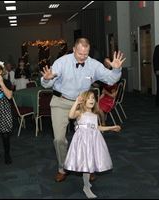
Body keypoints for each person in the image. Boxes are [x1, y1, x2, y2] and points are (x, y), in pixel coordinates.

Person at [41, 38, 125, 182]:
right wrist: (47, 79)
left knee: (89, 137)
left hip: (82, 104)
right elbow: (46, 84)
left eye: (85, 54)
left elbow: (111, 80)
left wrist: (116, 69)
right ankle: (63, 168)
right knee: (59, 139)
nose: (82, 57)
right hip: (61, 101)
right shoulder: (62, 62)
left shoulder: (93, 64)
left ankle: (89, 167)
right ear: (74, 49)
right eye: (80, 53)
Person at [64, 90, 121, 198]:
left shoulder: (94, 115)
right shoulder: (79, 113)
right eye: (89, 98)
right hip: (82, 142)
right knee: (86, 163)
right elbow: (71, 115)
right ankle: (86, 187)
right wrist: (76, 102)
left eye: (93, 98)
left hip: (93, 141)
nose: (92, 100)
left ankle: (86, 183)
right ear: (84, 101)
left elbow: (97, 128)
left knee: (90, 162)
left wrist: (111, 127)